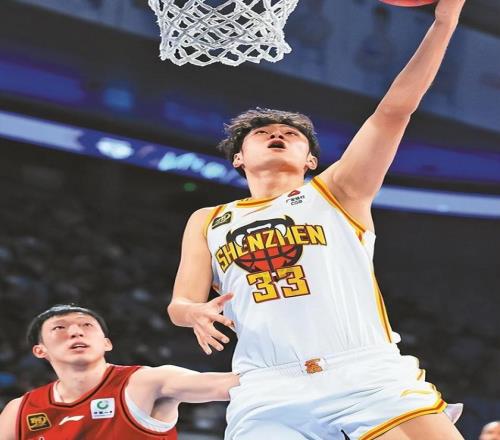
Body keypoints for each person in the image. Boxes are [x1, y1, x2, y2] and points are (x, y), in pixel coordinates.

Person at [168, 0, 467, 438]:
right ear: (238, 158)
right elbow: (180, 302)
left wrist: (444, 22)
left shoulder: (337, 191)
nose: (277, 134)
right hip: (269, 386)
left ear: (310, 160)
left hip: (365, 372)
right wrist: (190, 311)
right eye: (262, 133)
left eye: (291, 135)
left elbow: (393, 112)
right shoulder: (208, 219)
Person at [0, 304, 239, 439]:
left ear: (107, 343)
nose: (75, 332)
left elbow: (226, 385)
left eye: (86, 325)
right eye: (59, 328)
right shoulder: (19, 410)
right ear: (40, 350)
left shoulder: (146, 382)